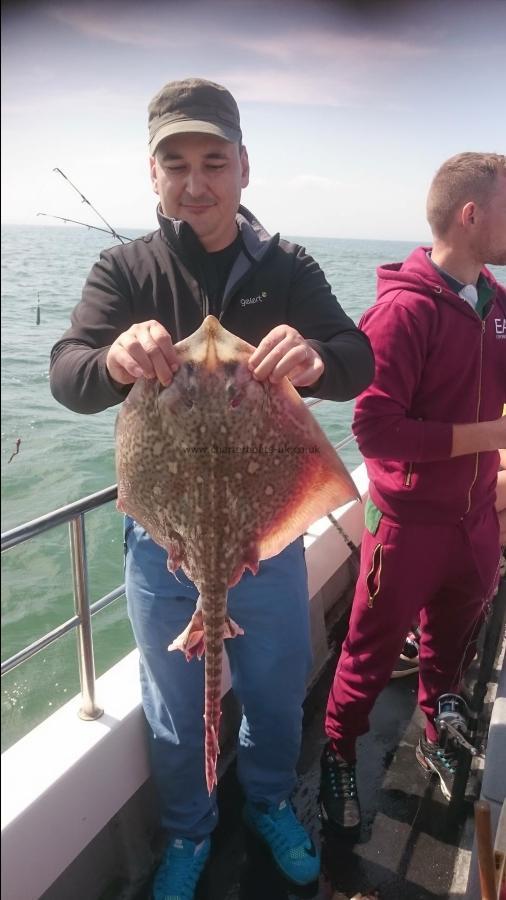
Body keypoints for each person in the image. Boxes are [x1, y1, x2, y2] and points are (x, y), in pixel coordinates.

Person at [49, 78, 374, 898]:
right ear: (153, 176)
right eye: (176, 164)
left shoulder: (288, 267)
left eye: (213, 161)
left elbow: (356, 356)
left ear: (243, 168)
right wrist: (114, 358)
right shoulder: (124, 268)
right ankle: (190, 835)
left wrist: (317, 359)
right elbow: (68, 375)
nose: (195, 182)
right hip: (165, 541)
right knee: (174, 697)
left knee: (271, 684)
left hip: (265, 539)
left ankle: (268, 802)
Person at [319, 152, 506, 836]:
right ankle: (339, 750)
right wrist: (489, 434)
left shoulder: (495, 303)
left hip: (473, 520)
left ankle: (439, 720)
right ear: (472, 214)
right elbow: (374, 431)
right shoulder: (401, 314)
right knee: (369, 652)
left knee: (452, 639)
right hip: (405, 528)